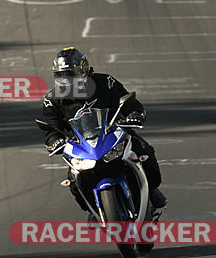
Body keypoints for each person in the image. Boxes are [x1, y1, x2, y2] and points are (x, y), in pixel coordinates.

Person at [37, 46, 166, 208]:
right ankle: (93, 208)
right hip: (82, 146)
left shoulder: (106, 82)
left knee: (145, 151)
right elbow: (51, 127)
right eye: (61, 76)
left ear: (83, 70)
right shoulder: (52, 100)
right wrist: (55, 141)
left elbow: (131, 104)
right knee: (73, 179)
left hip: (114, 133)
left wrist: (134, 115)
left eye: (70, 75)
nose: (67, 80)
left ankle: (151, 189)